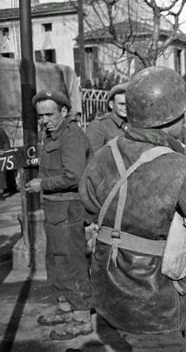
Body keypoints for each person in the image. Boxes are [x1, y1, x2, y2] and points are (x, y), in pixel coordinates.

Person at [79, 67, 186, 350]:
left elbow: (89, 207)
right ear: (171, 119)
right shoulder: (176, 167)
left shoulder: (105, 153)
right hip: (154, 303)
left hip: (108, 289)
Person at [24, 90, 92, 340]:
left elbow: (73, 176)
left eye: (49, 114)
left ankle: (82, 316)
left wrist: (42, 184)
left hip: (68, 209)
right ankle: (68, 309)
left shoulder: (71, 136)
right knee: (56, 262)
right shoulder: (51, 134)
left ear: (64, 112)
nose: (44, 120)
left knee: (71, 263)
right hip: (55, 209)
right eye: (40, 116)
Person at [86, 82, 128, 152]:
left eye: (128, 104)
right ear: (111, 104)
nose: (125, 107)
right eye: (121, 104)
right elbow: (94, 158)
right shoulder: (98, 126)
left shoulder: (133, 125)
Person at [0, 125, 10, 200]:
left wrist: (4, 151)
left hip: (0, 157)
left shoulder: (0, 130)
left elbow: (6, 142)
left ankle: (0, 194)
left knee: (1, 175)